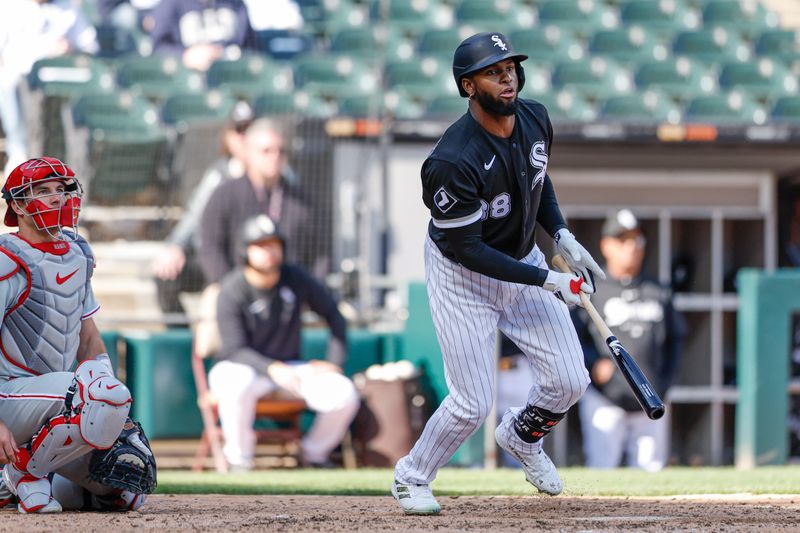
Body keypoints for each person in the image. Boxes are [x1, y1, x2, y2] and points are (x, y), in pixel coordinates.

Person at [391, 31, 605, 515]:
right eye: (493, 71)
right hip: (463, 275)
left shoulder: (534, 117)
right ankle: (412, 476)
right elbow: (468, 249)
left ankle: (522, 437)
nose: (507, 77)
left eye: (509, 67)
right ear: (469, 86)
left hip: (523, 256)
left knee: (571, 378)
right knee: (471, 402)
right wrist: (549, 280)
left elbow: (536, 177)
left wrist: (562, 235)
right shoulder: (450, 160)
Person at [0, 157, 156, 513]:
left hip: (56, 399)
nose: (57, 198)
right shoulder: (6, 258)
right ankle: (23, 473)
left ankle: (17, 484)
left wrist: (110, 406)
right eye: (43, 191)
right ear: (18, 205)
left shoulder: (77, 253)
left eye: (62, 190)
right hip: (8, 394)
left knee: (123, 489)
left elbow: (88, 339)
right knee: (86, 392)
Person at [208, 214, 360, 470]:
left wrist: (334, 362)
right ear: (244, 250)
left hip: (291, 369)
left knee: (343, 392)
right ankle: (239, 460)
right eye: (261, 245)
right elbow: (234, 348)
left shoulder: (295, 278)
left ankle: (313, 454)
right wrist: (271, 368)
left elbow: (335, 316)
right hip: (246, 369)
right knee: (234, 382)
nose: (269, 251)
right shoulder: (232, 289)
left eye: (274, 244)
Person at [573, 209, 685, 471]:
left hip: (651, 398)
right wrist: (591, 363)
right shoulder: (593, 289)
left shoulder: (657, 289)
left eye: (636, 240)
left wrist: (665, 382)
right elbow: (574, 335)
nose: (631, 247)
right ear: (606, 245)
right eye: (622, 240)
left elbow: (676, 339)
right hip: (605, 398)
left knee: (651, 474)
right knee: (601, 470)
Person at [151, 101, 253, 318]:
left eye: (249, 130)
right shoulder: (218, 174)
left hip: (251, 262)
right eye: (239, 130)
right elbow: (194, 216)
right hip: (212, 259)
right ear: (228, 136)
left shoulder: (274, 175)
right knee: (166, 274)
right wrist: (176, 246)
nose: (243, 138)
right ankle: (182, 342)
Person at [199, 117, 312, 286]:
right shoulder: (225, 194)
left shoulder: (300, 200)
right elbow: (210, 246)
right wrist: (230, 289)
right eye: (266, 151)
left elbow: (318, 254)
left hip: (288, 293)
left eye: (280, 151)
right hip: (235, 289)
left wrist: (306, 292)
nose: (275, 157)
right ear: (249, 153)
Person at [0, 0, 99, 177]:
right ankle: (19, 151)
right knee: (6, 80)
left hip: (62, 78)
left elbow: (90, 46)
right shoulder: (9, 6)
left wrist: (69, 49)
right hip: (21, 76)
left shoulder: (67, 8)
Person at [149, 0, 256, 72]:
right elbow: (158, 48)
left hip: (232, 74)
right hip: (190, 77)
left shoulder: (236, 4)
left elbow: (252, 47)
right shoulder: (170, 4)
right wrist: (185, 55)